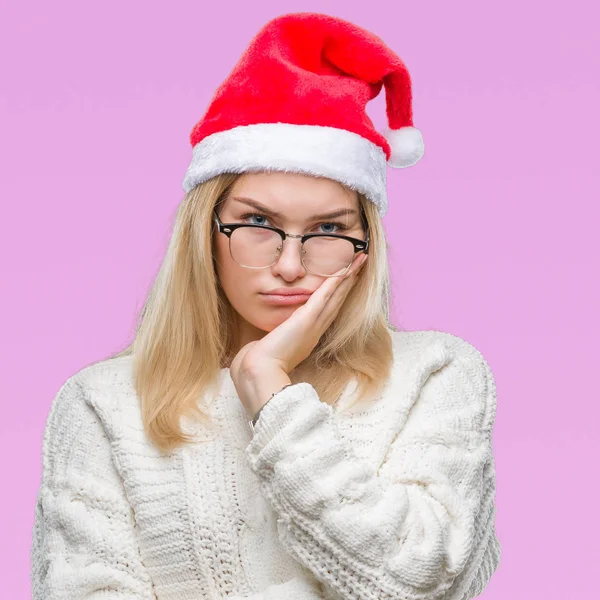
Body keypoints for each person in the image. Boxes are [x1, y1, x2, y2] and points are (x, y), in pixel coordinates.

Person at [30, 11, 501, 600]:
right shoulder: (103, 405)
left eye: (329, 228)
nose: (289, 265)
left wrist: (270, 390)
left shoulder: (435, 375)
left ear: (366, 244)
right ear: (205, 231)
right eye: (257, 223)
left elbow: (419, 579)